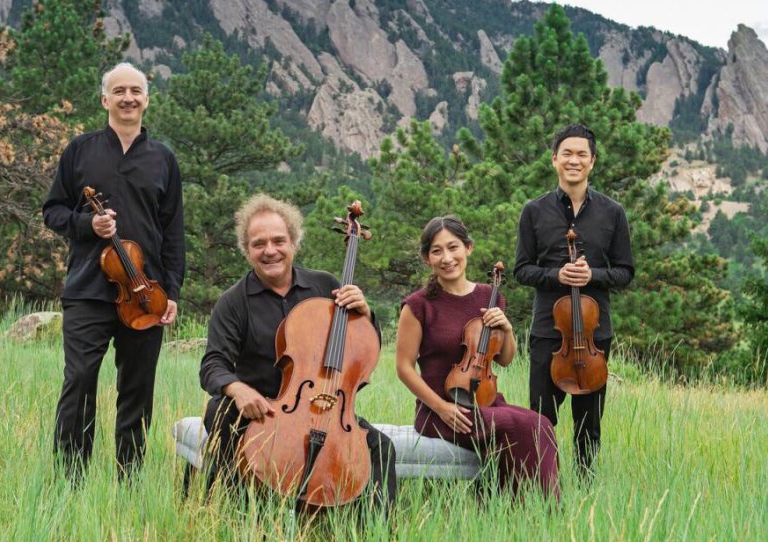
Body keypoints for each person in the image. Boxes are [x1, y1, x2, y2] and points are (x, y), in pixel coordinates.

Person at [199, 194, 396, 511]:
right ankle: (231, 511)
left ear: (294, 242)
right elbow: (213, 364)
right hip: (262, 408)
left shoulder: (325, 286)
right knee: (219, 409)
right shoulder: (234, 301)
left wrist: (366, 314)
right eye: (258, 243)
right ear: (246, 250)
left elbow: (362, 350)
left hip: (324, 406)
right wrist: (237, 389)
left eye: (279, 240)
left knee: (381, 448)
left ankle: (375, 529)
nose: (270, 250)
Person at [43, 62, 185, 480]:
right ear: (105, 99)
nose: (128, 98)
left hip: (146, 294)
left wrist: (172, 291)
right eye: (119, 91)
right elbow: (52, 211)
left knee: (138, 389)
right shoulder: (80, 151)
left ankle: (130, 481)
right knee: (80, 380)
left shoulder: (163, 159)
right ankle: (70, 480)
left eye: (135, 91)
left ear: (146, 99)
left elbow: (173, 231)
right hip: (88, 290)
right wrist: (88, 225)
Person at [395, 216, 559, 498]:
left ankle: (530, 509)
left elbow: (505, 359)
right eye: (437, 251)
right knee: (526, 426)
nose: (447, 258)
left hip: (485, 402)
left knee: (541, 423)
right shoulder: (417, 305)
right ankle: (528, 508)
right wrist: (441, 408)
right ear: (427, 259)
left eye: (453, 247)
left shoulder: (489, 296)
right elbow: (403, 368)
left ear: (468, 248)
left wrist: (506, 328)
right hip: (441, 412)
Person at [514, 123, 634, 481]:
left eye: (582, 154)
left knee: (588, 425)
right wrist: (557, 276)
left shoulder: (613, 213)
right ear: (554, 160)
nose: (574, 160)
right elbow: (522, 269)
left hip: (595, 336)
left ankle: (585, 489)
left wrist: (593, 276)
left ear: (592, 162)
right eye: (566, 153)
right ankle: (539, 490)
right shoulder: (533, 211)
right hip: (549, 334)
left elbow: (625, 271)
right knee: (540, 421)